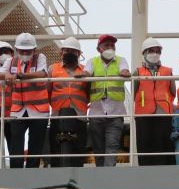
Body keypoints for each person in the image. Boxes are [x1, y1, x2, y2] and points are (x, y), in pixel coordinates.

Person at [0, 33, 48, 168]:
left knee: (35, 146)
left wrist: (20, 75)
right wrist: (7, 75)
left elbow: (42, 73)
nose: (25, 53)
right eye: (22, 51)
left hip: (39, 111)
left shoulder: (40, 58)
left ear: (34, 50)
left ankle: (31, 175)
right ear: (16, 50)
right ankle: (17, 174)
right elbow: (1, 73)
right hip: (17, 111)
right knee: (16, 146)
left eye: (28, 51)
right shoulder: (11, 61)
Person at [84, 34, 130, 166]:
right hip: (96, 113)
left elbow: (124, 70)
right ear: (99, 49)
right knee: (98, 149)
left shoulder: (121, 60)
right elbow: (86, 72)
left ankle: (108, 176)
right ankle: (100, 177)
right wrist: (83, 75)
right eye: (106, 45)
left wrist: (125, 73)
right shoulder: (92, 62)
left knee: (112, 147)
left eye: (112, 45)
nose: (110, 47)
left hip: (116, 113)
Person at [133, 38, 176, 166]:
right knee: (145, 144)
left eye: (157, 51)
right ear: (145, 53)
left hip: (163, 113)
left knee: (164, 144)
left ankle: (166, 173)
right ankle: (146, 174)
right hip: (143, 114)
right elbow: (134, 90)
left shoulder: (168, 71)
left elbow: (173, 91)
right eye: (151, 51)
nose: (155, 54)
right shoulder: (138, 72)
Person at [48, 36, 89, 167]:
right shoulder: (52, 69)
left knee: (78, 150)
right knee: (55, 150)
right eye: (67, 50)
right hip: (57, 115)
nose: (70, 53)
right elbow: (48, 91)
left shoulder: (85, 71)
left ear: (79, 54)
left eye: (73, 51)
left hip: (79, 116)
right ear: (62, 52)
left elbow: (89, 92)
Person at [0, 41, 14, 158]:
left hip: (12, 117)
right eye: (1, 53)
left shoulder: (17, 71)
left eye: (6, 52)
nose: (4, 55)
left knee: (14, 149)